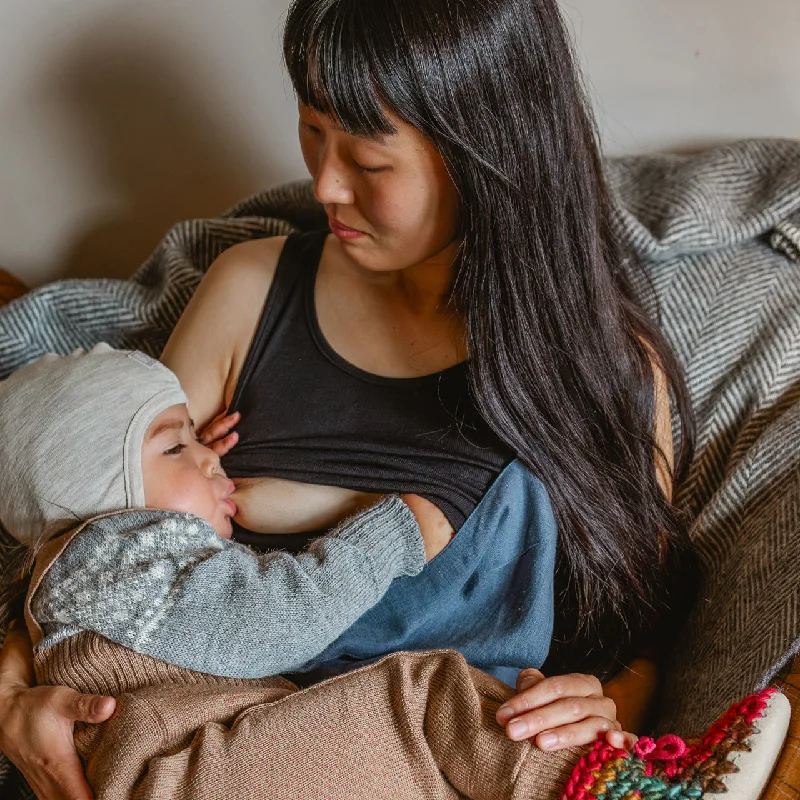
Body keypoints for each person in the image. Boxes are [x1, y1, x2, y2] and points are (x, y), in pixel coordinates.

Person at [0, 0, 699, 797]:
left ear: (487, 153)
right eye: (311, 130)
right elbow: (97, 526)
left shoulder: (605, 373)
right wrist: (13, 688)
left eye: (368, 161)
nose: (325, 184)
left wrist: (604, 707)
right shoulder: (250, 293)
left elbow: (641, 630)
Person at [3, 348, 791, 800]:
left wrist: (182, 463)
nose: (216, 455)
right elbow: (267, 623)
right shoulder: (106, 551)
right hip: (189, 772)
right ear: (96, 496)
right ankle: (621, 789)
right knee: (418, 695)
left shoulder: (103, 570)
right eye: (176, 446)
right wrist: (398, 529)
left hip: (220, 764)